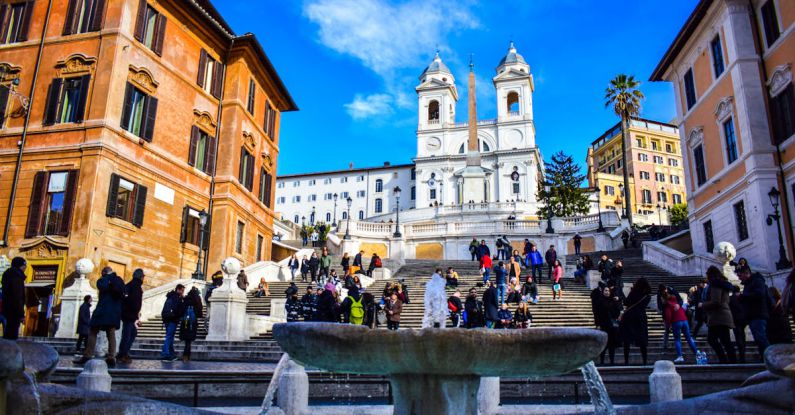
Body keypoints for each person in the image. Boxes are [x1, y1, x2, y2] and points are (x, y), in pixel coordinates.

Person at [74, 267, 125, 367]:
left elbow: (102, 288)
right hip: (114, 312)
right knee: (111, 334)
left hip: (102, 310)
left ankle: (88, 355)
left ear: (104, 272)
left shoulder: (102, 280)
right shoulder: (119, 280)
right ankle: (111, 357)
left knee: (93, 331)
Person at [703, 266, 737, 363]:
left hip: (718, 316)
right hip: (722, 315)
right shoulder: (723, 284)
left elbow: (716, 301)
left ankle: (726, 360)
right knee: (724, 340)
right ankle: (729, 360)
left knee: (714, 339)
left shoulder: (716, 285)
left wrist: (703, 305)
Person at [739, 269, 771, 358]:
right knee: (758, 339)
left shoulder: (757, 281)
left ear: (746, 273)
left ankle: (771, 358)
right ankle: (764, 359)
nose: (739, 278)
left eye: (740, 275)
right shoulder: (748, 284)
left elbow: (759, 294)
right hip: (752, 315)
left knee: (761, 338)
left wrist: (743, 296)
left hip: (758, 314)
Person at [620, 277, 651, 366]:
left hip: (629, 317)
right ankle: (644, 361)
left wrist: (631, 292)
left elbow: (626, 302)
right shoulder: (647, 295)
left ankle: (626, 361)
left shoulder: (634, 292)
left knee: (627, 340)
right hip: (641, 317)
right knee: (642, 340)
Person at [662, 290, 700, 362]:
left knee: (677, 340)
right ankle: (697, 354)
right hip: (684, 320)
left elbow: (668, 316)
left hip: (675, 321)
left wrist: (668, 324)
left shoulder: (668, 304)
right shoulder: (677, 301)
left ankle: (680, 356)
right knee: (689, 338)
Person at [117, 269, 144, 364]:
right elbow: (135, 302)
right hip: (129, 315)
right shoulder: (136, 286)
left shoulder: (129, 285)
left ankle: (124, 353)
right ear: (141, 277)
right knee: (127, 335)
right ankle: (122, 354)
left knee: (132, 333)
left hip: (128, 314)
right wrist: (135, 316)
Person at [593, 286, 621, 365]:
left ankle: (612, 361)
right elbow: (597, 314)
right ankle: (602, 361)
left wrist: (617, 302)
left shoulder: (613, 300)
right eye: (605, 290)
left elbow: (617, 313)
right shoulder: (599, 301)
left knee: (611, 345)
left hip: (612, 326)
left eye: (608, 290)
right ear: (603, 291)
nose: (607, 292)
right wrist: (597, 324)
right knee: (603, 345)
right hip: (603, 325)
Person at [158, 284, 186, 362]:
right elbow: (178, 310)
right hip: (172, 320)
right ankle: (165, 354)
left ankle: (171, 354)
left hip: (167, 319)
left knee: (170, 337)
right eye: (182, 290)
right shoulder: (176, 298)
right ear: (178, 290)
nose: (182, 292)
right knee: (169, 337)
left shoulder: (170, 296)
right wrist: (182, 301)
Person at [1, 257, 26, 340]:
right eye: (24, 265)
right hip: (14, 311)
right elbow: (17, 296)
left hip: (6, 309)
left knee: (7, 334)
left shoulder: (7, 274)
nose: (25, 268)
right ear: (20, 266)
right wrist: (21, 314)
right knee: (11, 336)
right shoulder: (17, 276)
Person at [180, 287, 203, 361]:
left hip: (185, 322)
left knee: (186, 340)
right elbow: (200, 310)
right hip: (192, 322)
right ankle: (187, 355)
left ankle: (185, 356)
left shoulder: (186, 299)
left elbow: (182, 309)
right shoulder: (196, 299)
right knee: (189, 340)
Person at [728, 285, 748, 363]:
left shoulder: (730, 298)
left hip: (735, 320)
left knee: (738, 336)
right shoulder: (743, 297)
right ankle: (742, 355)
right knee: (742, 336)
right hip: (743, 320)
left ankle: (741, 355)